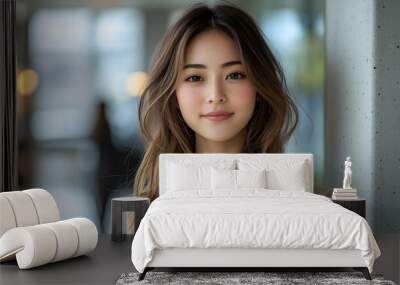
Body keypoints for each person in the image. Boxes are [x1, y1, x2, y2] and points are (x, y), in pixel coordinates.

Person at [133, 3, 299, 202]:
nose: (215, 95)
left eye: (235, 75)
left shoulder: (295, 197)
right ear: (172, 94)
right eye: (195, 78)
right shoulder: (149, 211)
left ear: (259, 86)